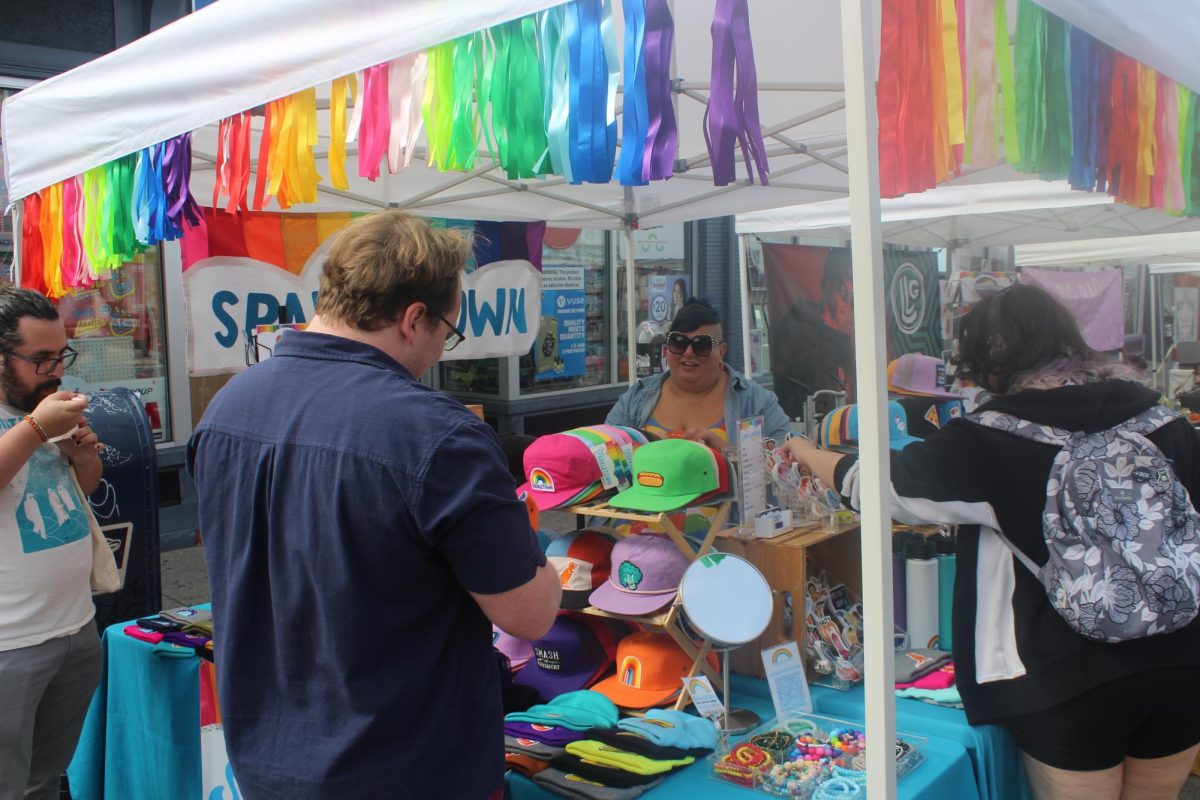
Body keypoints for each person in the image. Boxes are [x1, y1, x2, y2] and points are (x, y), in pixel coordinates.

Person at [187, 210, 561, 799]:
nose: (441, 349)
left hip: (268, 761)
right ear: (414, 319)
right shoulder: (436, 433)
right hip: (407, 767)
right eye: (447, 331)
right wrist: (551, 563)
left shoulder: (228, 408)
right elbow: (529, 614)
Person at [784, 284, 1200, 800]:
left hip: (1066, 675)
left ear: (986, 359)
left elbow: (880, 486)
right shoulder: (1161, 419)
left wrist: (804, 450)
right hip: (1182, 658)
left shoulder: (993, 435)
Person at [0, 287, 103, 800]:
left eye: (61, 355)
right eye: (40, 359)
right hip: (10, 644)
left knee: (45, 781)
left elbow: (71, 496)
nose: (55, 371)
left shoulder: (39, 410)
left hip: (75, 628)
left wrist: (84, 460)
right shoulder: (33, 419)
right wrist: (37, 428)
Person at [607, 299, 790, 448]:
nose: (688, 352)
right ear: (667, 349)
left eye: (701, 344)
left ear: (721, 351)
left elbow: (789, 462)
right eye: (679, 342)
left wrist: (725, 453)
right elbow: (601, 448)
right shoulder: (636, 397)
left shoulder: (756, 402)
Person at [769, 248, 855, 418]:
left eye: (854, 298)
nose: (847, 307)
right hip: (797, 416)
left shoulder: (843, 341)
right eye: (844, 293)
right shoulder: (793, 326)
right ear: (829, 285)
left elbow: (849, 390)